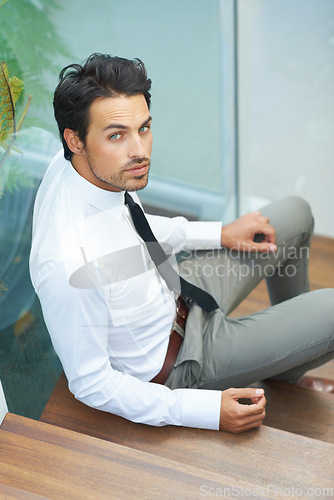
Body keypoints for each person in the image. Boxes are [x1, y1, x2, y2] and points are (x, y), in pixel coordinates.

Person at [29, 53, 334, 434]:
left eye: (144, 128)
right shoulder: (68, 266)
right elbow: (91, 383)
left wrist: (218, 232)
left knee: (294, 213)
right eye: (117, 135)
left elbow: (132, 228)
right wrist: (203, 410)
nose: (139, 151)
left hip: (178, 288)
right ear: (74, 139)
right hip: (185, 363)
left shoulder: (86, 169)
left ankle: (284, 361)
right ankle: (286, 351)